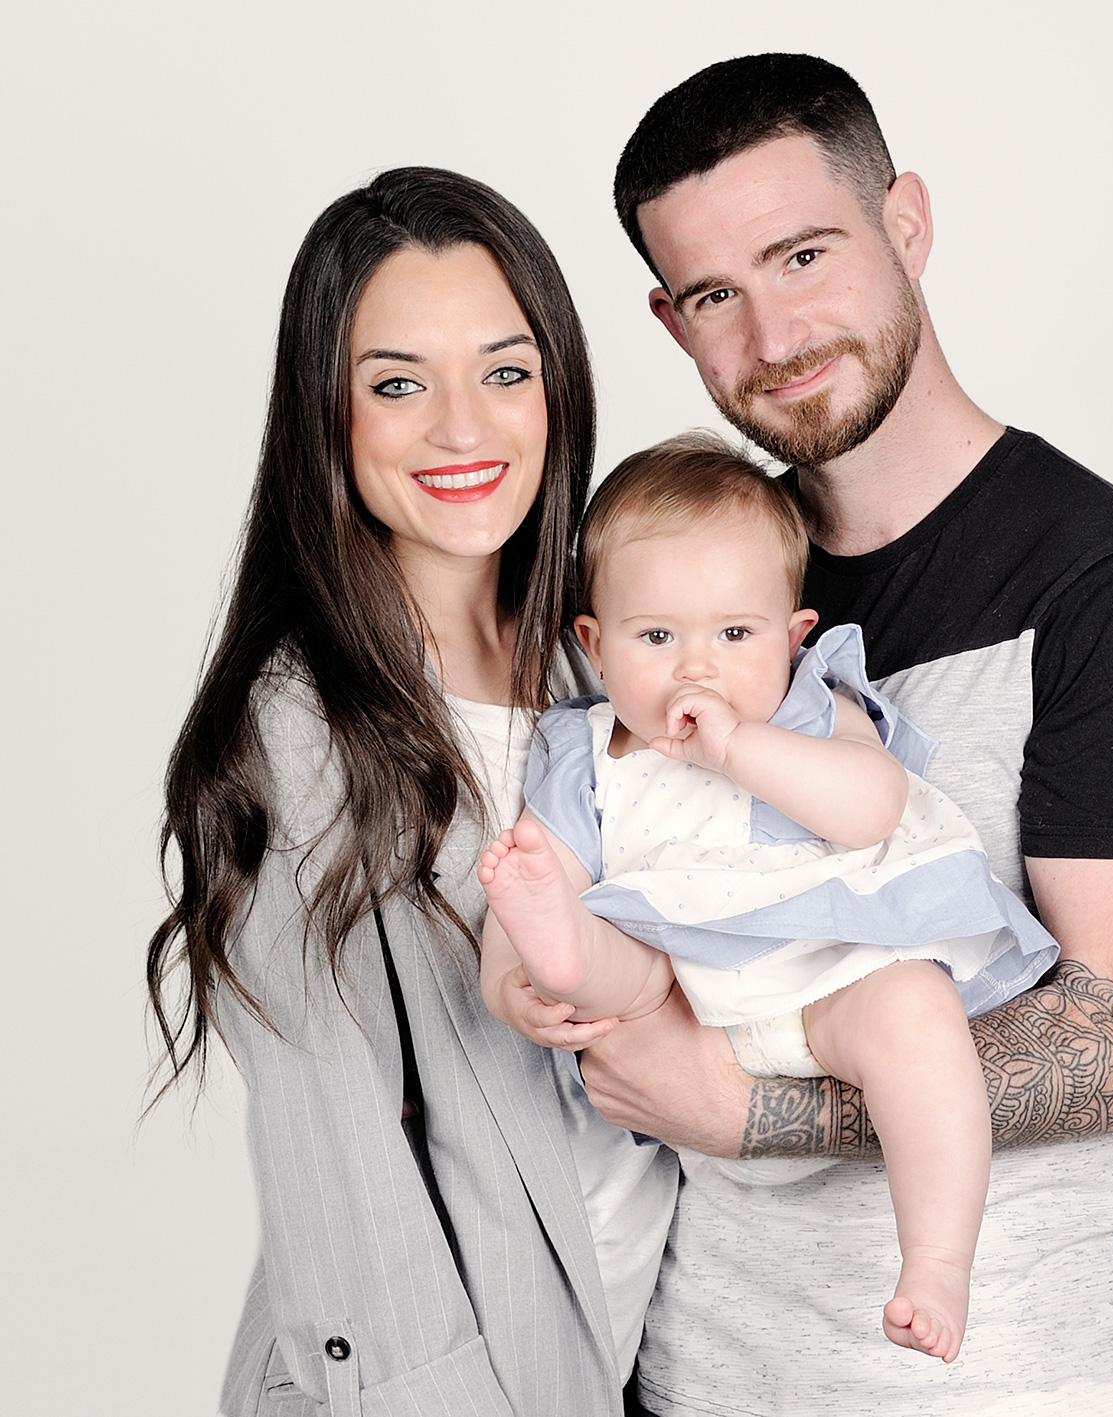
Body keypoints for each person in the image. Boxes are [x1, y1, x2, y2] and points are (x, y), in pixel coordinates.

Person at [572, 54, 1113, 1416]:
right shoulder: (677, 582)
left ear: (907, 223)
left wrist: (748, 1108)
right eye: (715, 295)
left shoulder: (1099, 588)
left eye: (803, 255)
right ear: (670, 320)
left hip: (997, 1382)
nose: (774, 334)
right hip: (695, 1373)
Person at [145, 166, 676, 1416]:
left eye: (504, 372)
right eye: (397, 384)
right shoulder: (292, 728)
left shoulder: (601, 664)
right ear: (325, 416)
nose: (462, 430)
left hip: (615, 1357)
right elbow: (339, 1163)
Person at [477, 435, 1059, 1362]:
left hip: (829, 987)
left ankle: (937, 1257)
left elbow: (871, 808)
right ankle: (560, 962)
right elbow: (544, 861)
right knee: (582, 933)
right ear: (594, 644)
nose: (696, 669)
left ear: (792, 637)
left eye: (734, 635)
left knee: (917, 1015)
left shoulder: (810, 707)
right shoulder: (585, 750)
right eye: (656, 637)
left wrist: (737, 749)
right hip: (681, 1002)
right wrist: (509, 978)